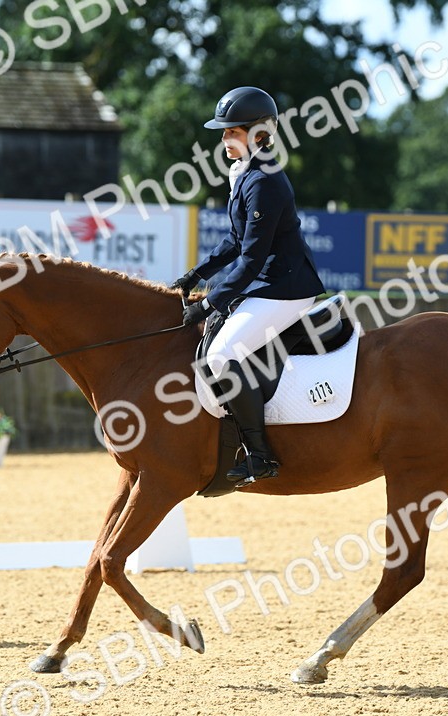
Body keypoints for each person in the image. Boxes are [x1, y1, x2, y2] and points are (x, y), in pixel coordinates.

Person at [172, 86, 325, 485]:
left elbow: (252, 258)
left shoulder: (265, 181)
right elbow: (235, 242)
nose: (223, 139)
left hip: (287, 286)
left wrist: (210, 304)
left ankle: (260, 455)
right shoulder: (246, 174)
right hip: (268, 281)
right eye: (223, 133)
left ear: (259, 134)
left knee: (222, 354)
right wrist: (197, 274)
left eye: (230, 132)